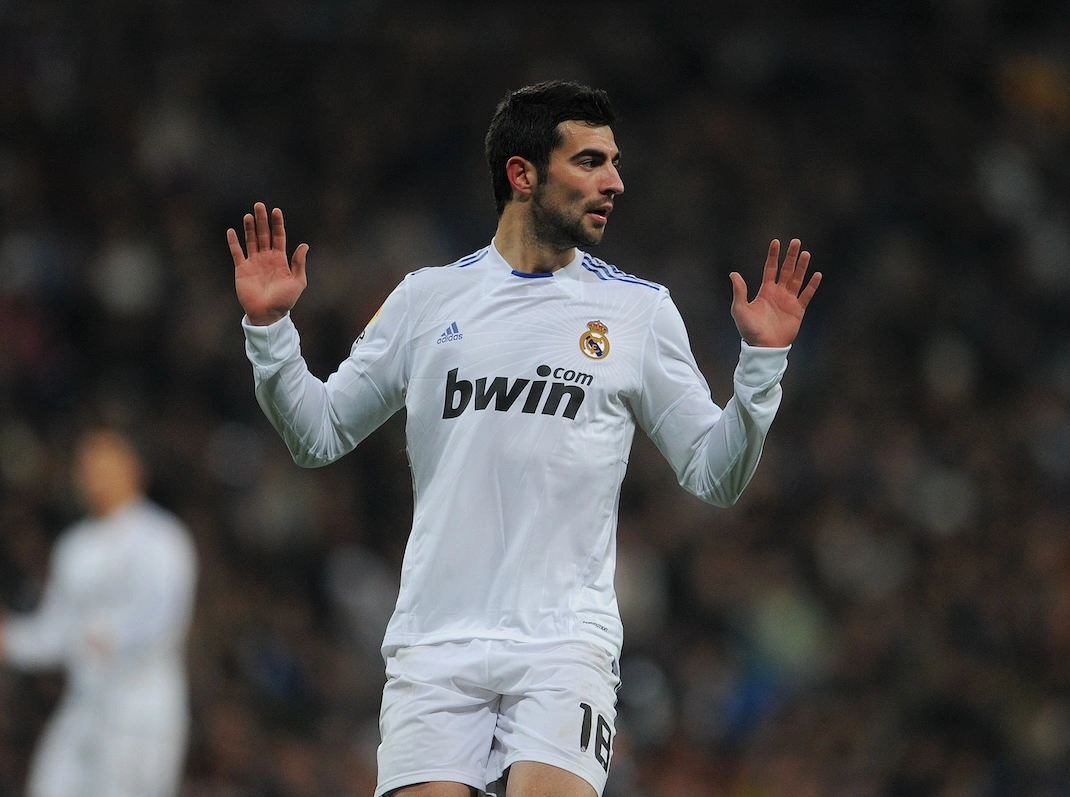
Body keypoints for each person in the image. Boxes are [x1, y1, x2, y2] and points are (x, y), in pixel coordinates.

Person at [228, 80, 821, 797]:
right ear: (523, 174)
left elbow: (713, 473)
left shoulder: (637, 312)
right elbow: (317, 433)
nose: (615, 182)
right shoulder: (426, 300)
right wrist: (270, 333)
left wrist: (760, 368)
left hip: (564, 645)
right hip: (435, 644)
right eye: (591, 162)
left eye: (614, 162)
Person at [0, 429, 198, 797]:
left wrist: (107, 633)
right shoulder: (74, 547)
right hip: (84, 707)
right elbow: (56, 632)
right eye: (86, 467)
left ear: (134, 469)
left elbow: (162, 617)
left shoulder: (162, 539)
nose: (93, 476)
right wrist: (12, 640)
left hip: (141, 715)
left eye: (104, 464)